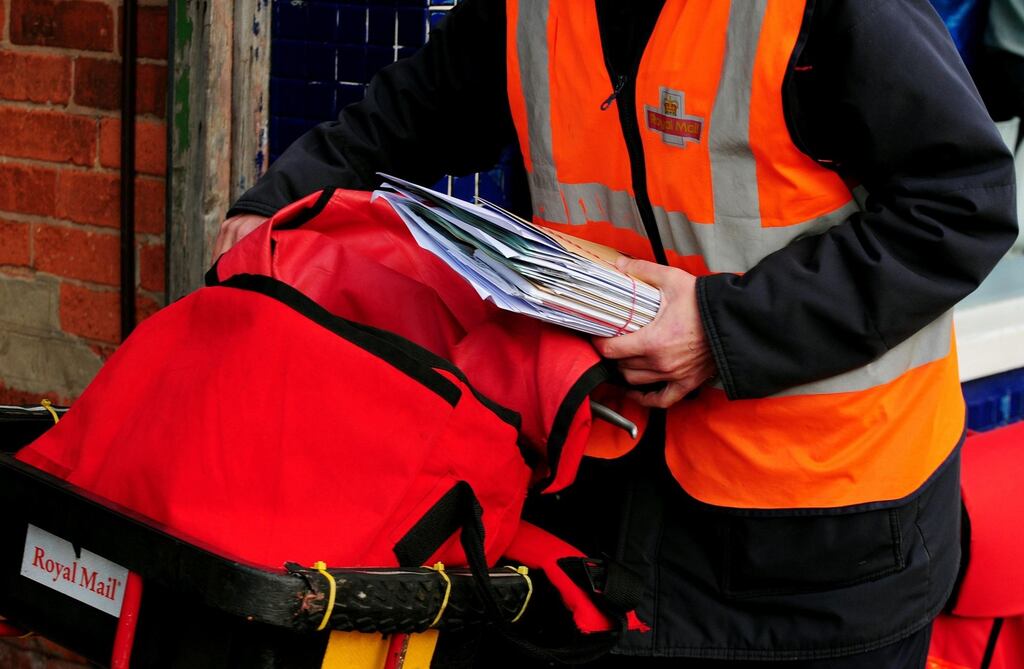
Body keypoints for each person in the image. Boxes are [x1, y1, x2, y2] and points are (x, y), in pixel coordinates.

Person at [219, 1, 1017, 666]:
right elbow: (414, 111)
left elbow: (963, 206)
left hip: (830, 545)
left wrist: (718, 327)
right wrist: (276, 203)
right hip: (610, 514)